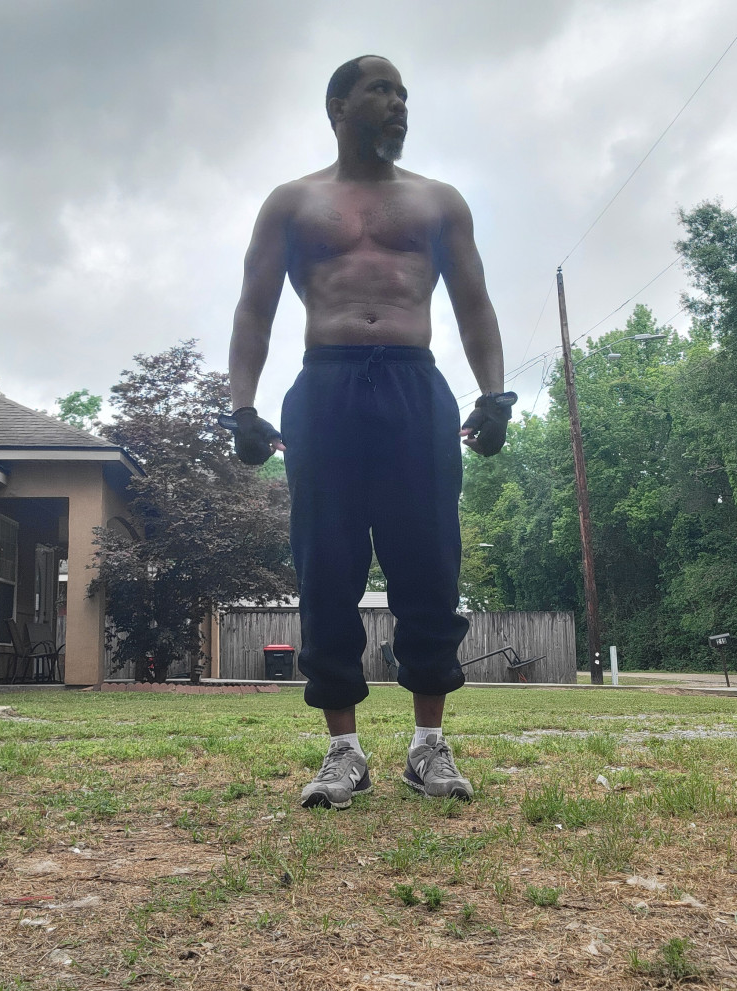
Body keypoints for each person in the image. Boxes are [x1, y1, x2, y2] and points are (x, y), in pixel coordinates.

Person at [223, 55, 515, 810]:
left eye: (404, 93)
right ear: (337, 106)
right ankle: (343, 751)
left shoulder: (438, 202)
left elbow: (474, 303)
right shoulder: (293, 203)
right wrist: (242, 407)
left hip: (416, 385)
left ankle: (428, 746)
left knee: (429, 562)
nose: (398, 103)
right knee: (327, 564)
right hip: (326, 386)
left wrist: (494, 396)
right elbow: (254, 307)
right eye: (380, 90)